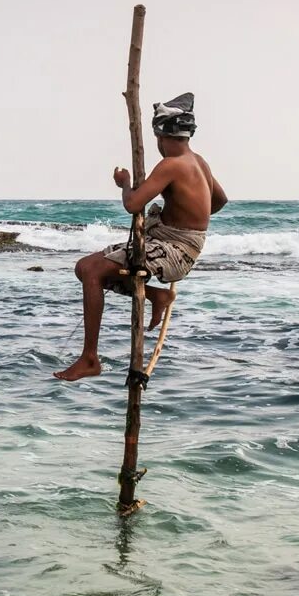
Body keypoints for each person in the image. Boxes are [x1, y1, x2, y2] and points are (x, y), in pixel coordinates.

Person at [54, 92, 227, 382]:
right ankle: (158, 295)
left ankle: (89, 358)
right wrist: (182, 214)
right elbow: (219, 200)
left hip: (175, 248)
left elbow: (133, 204)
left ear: (160, 136)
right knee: (85, 268)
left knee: (92, 271)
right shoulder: (199, 161)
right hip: (180, 241)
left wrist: (125, 185)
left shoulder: (171, 164)